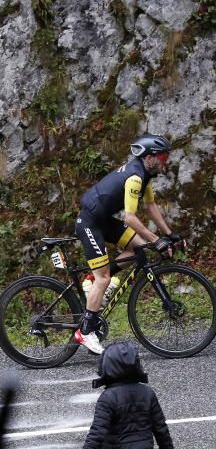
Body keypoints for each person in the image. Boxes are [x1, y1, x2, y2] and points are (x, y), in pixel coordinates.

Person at [73, 134, 182, 355]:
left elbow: (150, 206)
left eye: (166, 156)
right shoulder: (135, 177)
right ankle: (85, 331)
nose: (166, 160)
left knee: (138, 247)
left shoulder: (146, 176)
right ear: (149, 157)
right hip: (89, 222)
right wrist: (157, 240)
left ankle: (91, 281)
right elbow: (130, 219)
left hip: (102, 220)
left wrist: (170, 234)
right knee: (105, 277)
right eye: (162, 156)